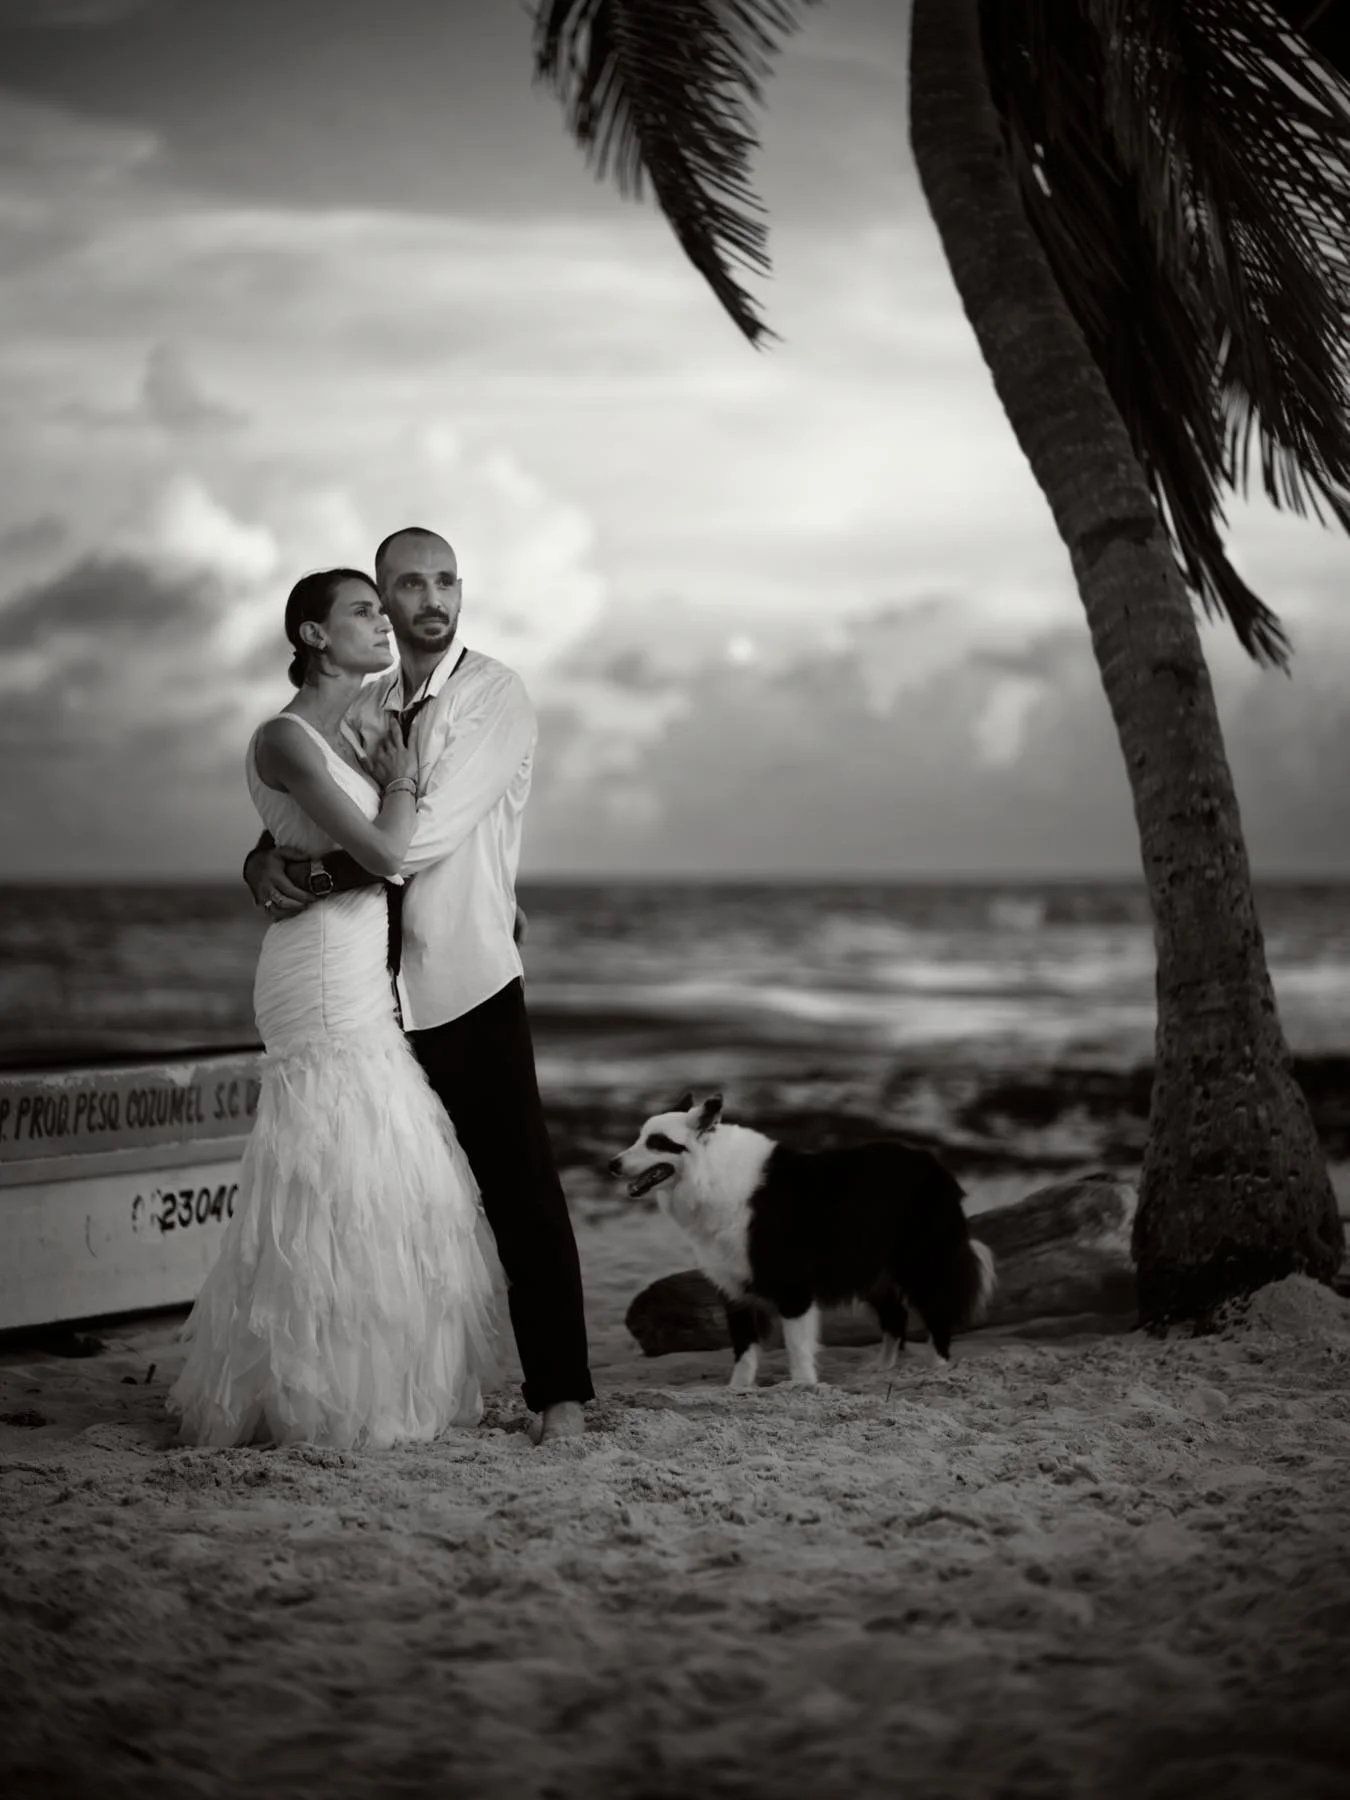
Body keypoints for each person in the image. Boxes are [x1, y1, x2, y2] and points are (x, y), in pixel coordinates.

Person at [242, 528, 594, 1445]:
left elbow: (419, 838)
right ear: (386, 607)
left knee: (517, 1188)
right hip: (365, 988)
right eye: (405, 585)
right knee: (384, 1192)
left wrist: (307, 880)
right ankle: (360, 1382)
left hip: (459, 974)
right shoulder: (370, 700)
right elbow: (316, 800)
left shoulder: (492, 696)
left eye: (444, 580)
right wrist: (260, 857)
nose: (431, 597)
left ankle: (561, 1397)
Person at [169, 567, 500, 1450]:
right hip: (315, 967)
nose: (383, 620)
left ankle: (372, 1380)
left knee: (383, 1166)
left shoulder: (354, 735)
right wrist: (397, 785)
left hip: (358, 961)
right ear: (312, 636)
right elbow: (390, 851)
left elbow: (311, 847)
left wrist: (278, 858)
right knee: (333, 1156)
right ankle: (310, 1389)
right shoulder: (287, 740)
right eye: (361, 610)